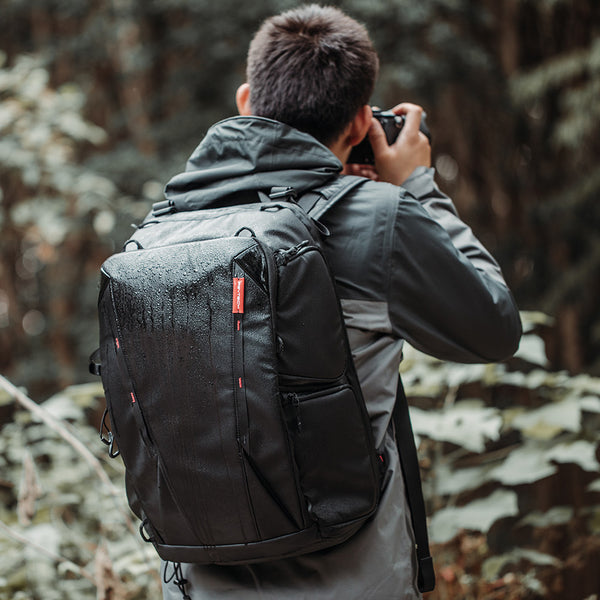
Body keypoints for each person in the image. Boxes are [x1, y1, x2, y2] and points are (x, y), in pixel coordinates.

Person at [161, 5, 522, 599]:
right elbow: (494, 323)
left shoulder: (168, 225)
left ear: (246, 100)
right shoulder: (376, 219)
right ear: (360, 125)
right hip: (349, 581)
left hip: (196, 586)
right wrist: (415, 187)